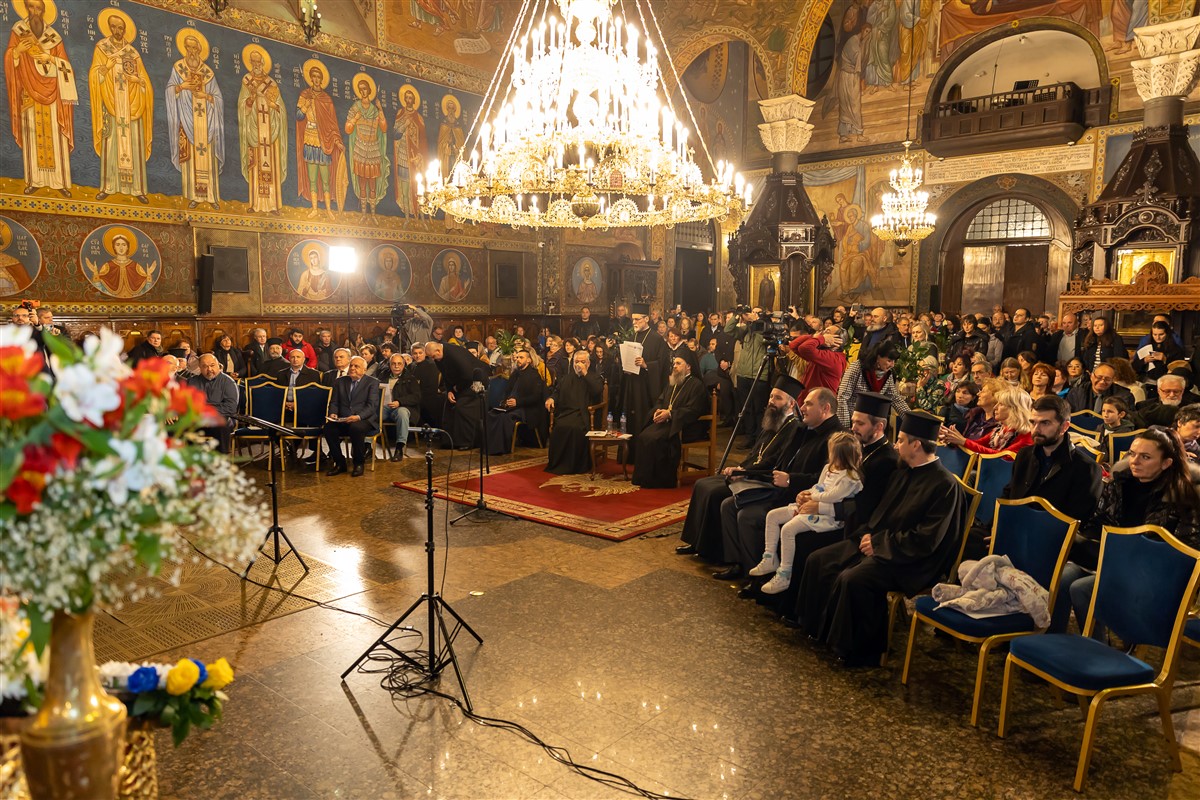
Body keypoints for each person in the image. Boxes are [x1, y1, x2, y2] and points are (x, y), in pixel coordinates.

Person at [798, 410, 968, 666]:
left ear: (916, 444)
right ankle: (817, 632)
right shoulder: (903, 471)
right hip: (880, 542)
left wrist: (878, 544)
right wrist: (867, 535)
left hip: (912, 558)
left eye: (900, 439)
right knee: (819, 560)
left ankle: (861, 653)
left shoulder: (943, 485)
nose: (896, 445)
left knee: (854, 578)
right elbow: (880, 514)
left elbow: (927, 539)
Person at [1052, 427, 1200, 636]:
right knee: (1063, 576)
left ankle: (1097, 650)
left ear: (1167, 463)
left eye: (1145, 457)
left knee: (1082, 588)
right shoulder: (1121, 483)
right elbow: (1098, 522)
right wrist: (1089, 545)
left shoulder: (1185, 495)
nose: (1134, 461)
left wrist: (1124, 557)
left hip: (1154, 572)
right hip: (1113, 560)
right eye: (1132, 453)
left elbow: (1187, 550)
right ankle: (1056, 639)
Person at [716, 387, 842, 582]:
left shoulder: (835, 438)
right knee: (729, 505)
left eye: (809, 404)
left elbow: (826, 478)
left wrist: (791, 479)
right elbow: (777, 459)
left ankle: (756, 579)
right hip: (778, 489)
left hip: (801, 497)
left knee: (747, 516)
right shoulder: (804, 428)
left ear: (825, 408)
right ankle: (738, 564)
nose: (803, 407)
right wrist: (746, 472)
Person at [676, 378, 803, 560]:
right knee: (702, 484)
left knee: (714, 492)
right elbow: (756, 452)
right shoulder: (773, 420)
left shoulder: (794, 429)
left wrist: (743, 472)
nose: (771, 402)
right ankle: (697, 542)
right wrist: (741, 467)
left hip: (760, 479)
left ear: (791, 404)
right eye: (771, 396)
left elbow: (774, 461)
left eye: (777, 398)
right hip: (747, 471)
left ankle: (711, 551)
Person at [753, 431, 864, 595]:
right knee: (773, 516)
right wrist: (804, 494)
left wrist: (812, 497)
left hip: (828, 517)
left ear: (840, 455)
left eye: (832, 451)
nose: (829, 455)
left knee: (788, 529)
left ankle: (784, 573)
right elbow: (819, 486)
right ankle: (769, 557)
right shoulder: (828, 468)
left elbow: (833, 495)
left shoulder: (850, 477)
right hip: (814, 505)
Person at [1003, 395, 1103, 524]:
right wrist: (997, 526)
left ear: (1064, 427)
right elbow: (1009, 494)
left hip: (1050, 537)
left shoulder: (1087, 468)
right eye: (1033, 422)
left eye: (1045, 423)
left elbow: (1075, 519)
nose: (1036, 429)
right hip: (1014, 526)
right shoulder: (1024, 455)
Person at [89, 10, 151, 203]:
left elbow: (145, 83)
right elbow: (94, 76)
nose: (117, 30)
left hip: (132, 107)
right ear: (109, 28)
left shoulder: (133, 53)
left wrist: (137, 81)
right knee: (112, 144)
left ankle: (138, 189)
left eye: (121, 28)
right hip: (111, 103)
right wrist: (106, 67)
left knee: (134, 147)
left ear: (125, 30)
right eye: (114, 27)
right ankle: (108, 186)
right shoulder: (102, 48)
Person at [631, 354, 710, 488]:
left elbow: (693, 410)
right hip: (668, 422)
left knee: (655, 439)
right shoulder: (673, 382)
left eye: (678, 363)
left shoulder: (696, 385)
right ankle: (643, 478)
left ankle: (660, 480)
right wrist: (658, 411)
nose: (674, 366)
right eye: (674, 363)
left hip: (685, 425)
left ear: (689, 366)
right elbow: (661, 400)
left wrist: (670, 414)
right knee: (644, 435)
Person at [166, 32, 223, 209]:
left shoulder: (208, 73)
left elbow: (218, 97)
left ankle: (211, 196)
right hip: (187, 119)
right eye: (188, 47)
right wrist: (181, 87)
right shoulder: (179, 68)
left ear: (199, 50)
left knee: (207, 158)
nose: (191, 51)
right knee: (191, 157)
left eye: (194, 48)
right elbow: (169, 89)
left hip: (207, 124)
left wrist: (207, 96)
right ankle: (193, 196)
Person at [237, 45, 286, 214]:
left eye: (258, 61)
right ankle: (254, 204)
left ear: (263, 62)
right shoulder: (246, 80)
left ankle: (273, 205)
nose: (256, 64)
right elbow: (242, 105)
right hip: (254, 130)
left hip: (269, 132)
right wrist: (249, 101)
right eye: (253, 62)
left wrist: (274, 106)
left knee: (270, 166)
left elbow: (281, 108)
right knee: (255, 166)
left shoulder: (271, 83)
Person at [621, 304, 670, 460]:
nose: (634, 322)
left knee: (643, 418)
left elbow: (663, 364)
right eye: (633, 319)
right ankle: (629, 455)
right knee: (630, 418)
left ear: (646, 319)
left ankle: (644, 456)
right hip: (632, 384)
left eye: (637, 319)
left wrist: (646, 365)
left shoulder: (657, 339)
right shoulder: (631, 338)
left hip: (647, 387)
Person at [544, 349, 605, 475]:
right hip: (567, 412)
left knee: (575, 429)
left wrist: (585, 374)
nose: (579, 364)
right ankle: (558, 464)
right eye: (577, 361)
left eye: (582, 362)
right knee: (559, 428)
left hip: (584, 415)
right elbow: (557, 392)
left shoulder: (595, 377)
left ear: (588, 363)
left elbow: (597, 391)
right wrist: (551, 398)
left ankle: (576, 466)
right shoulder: (567, 378)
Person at [322, 356, 381, 477]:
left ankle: (358, 463)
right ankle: (339, 463)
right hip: (343, 419)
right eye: (352, 365)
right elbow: (334, 402)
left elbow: (371, 406)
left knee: (356, 428)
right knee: (328, 429)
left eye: (356, 366)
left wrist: (358, 416)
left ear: (364, 370)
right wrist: (333, 413)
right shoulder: (340, 381)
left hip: (363, 419)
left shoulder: (372, 382)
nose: (352, 368)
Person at [486, 347, 547, 455]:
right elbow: (507, 391)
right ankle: (489, 447)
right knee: (492, 414)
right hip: (512, 407)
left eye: (521, 357)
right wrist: (505, 401)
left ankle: (501, 448)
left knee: (504, 418)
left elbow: (536, 397)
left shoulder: (534, 375)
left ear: (529, 360)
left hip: (526, 409)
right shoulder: (515, 373)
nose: (518, 359)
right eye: (517, 357)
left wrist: (517, 402)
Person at [940, 386, 1034, 457]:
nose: (995, 407)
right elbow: (978, 443)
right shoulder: (1001, 430)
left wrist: (963, 441)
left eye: (1001, 404)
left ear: (1014, 409)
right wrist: (953, 438)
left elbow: (999, 456)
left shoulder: (1027, 435)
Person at [835, 340, 909, 428]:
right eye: (889, 361)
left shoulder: (888, 374)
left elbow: (895, 398)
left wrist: (911, 420)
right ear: (878, 358)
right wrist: (845, 427)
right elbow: (842, 397)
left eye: (894, 361)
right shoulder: (857, 367)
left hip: (871, 424)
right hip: (852, 421)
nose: (892, 365)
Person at [427, 341, 483, 450]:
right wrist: (449, 390)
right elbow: (446, 374)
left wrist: (456, 388)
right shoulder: (439, 357)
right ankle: (449, 441)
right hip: (459, 385)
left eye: (433, 356)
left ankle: (467, 442)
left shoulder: (455, 355)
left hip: (474, 383)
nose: (433, 359)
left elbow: (467, 375)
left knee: (461, 407)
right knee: (447, 405)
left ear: (438, 351)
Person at [187, 354, 238, 453]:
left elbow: (230, 408)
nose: (209, 369)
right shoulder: (192, 382)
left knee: (221, 426)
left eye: (212, 365)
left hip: (221, 418)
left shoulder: (228, 382)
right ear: (200, 368)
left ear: (218, 365)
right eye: (205, 366)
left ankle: (220, 462)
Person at [381, 353, 420, 460]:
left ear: (404, 365)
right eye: (393, 364)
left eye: (399, 364)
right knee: (371, 412)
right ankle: (368, 446)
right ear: (389, 365)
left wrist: (399, 402)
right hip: (385, 407)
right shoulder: (382, 376)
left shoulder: (410, 379)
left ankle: (399, 448)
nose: (396, 366)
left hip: (402, 407)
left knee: (402, 412)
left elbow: (416, 397)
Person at [788, 325, 847, 394]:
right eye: (824, 330)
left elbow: (804, 348)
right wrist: (813, 336)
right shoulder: (821, 353)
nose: (823, 334)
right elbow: (793, 345)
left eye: (827, 332)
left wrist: (821, 339)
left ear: (837, 341)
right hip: (809, 399)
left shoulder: (835, 359)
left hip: (819, 402)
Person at [1065, 361, 1134, 414]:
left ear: (1113, 380)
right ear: (1091, 376)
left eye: (1107, 379)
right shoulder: (1076, 393)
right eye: (1099, 377)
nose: (1102, 382)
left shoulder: (1124, 396)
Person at [1134, 320, 1184, 387]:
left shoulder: (1176, 349)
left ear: (1167, 334)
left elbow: (1180, 369)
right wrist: (1144, 360)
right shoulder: (1146, 346)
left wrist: (1165, 359)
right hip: (1145, 381)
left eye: (1161, 334)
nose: (1157, 337)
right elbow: (1134, 366)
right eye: (1155, 334)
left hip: (1167, 383)